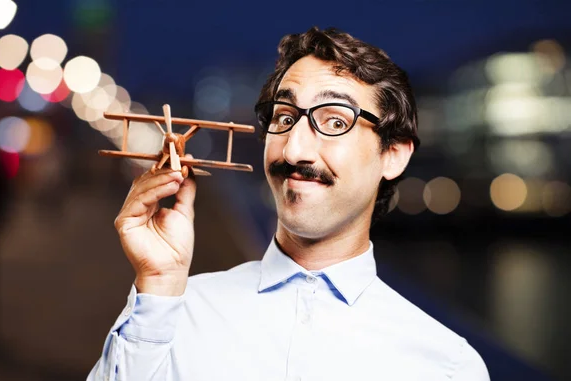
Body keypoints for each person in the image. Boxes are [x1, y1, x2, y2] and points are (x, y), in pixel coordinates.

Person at [88, 27, 489, 381]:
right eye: (283, 117)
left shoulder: (448, 367)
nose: (294, 149)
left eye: (335, 121)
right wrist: (157, 287)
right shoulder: (168, 312)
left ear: (394, 155)